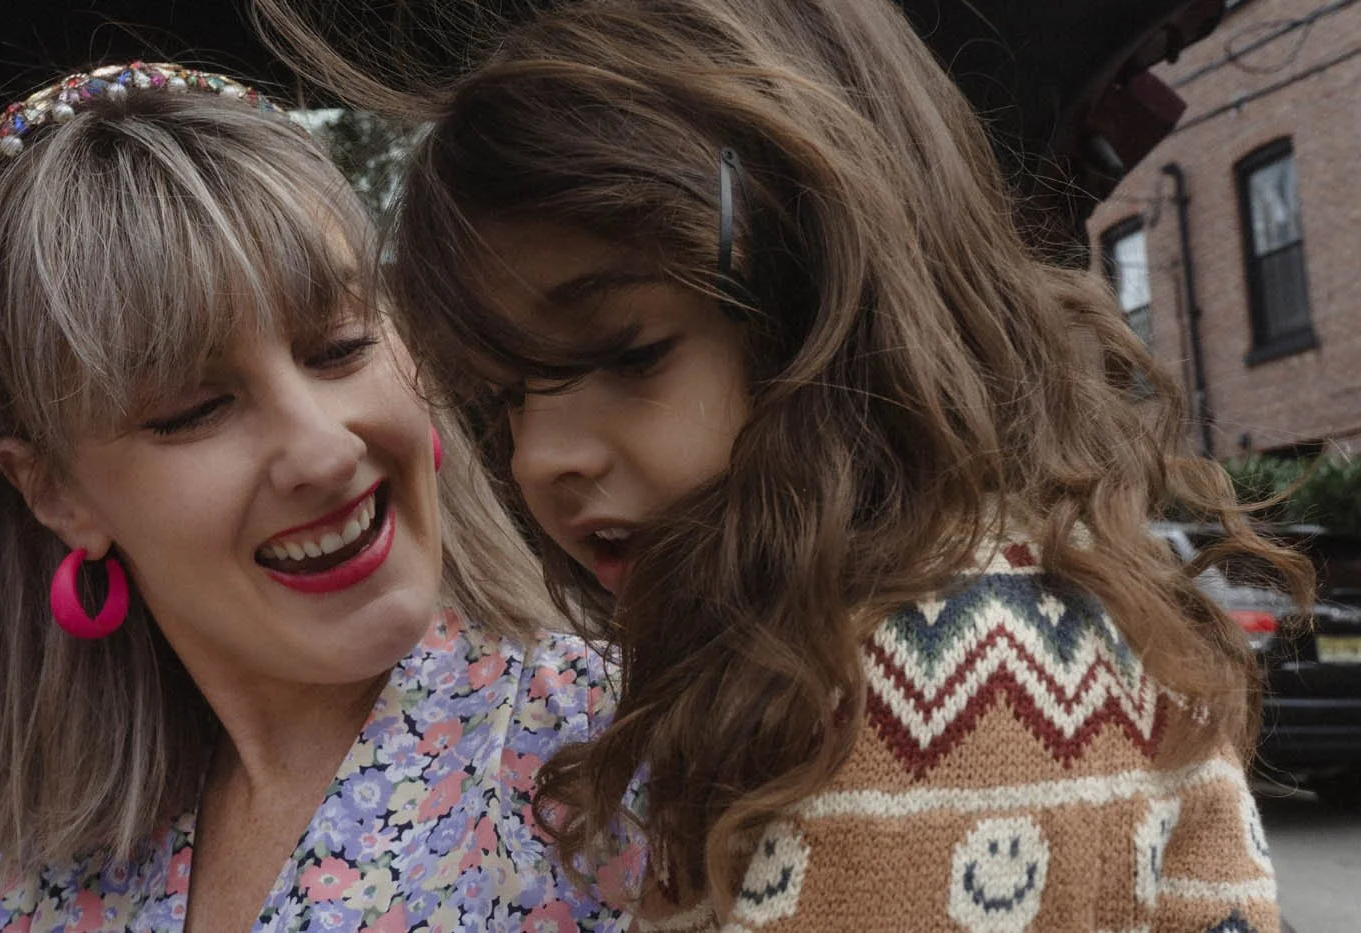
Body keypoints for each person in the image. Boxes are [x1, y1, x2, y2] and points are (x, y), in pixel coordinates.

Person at [257, 1, 1312, 930]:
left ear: (830, 295)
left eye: (629, 355)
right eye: (502, 399)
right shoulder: (892, 626)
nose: (543, 461)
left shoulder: (929, 687)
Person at [0, 62, 633, 932]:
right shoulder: (26, 890)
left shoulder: (633, 755)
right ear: (52, 493)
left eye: (341, 347)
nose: (321, 449)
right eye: (194, 409)